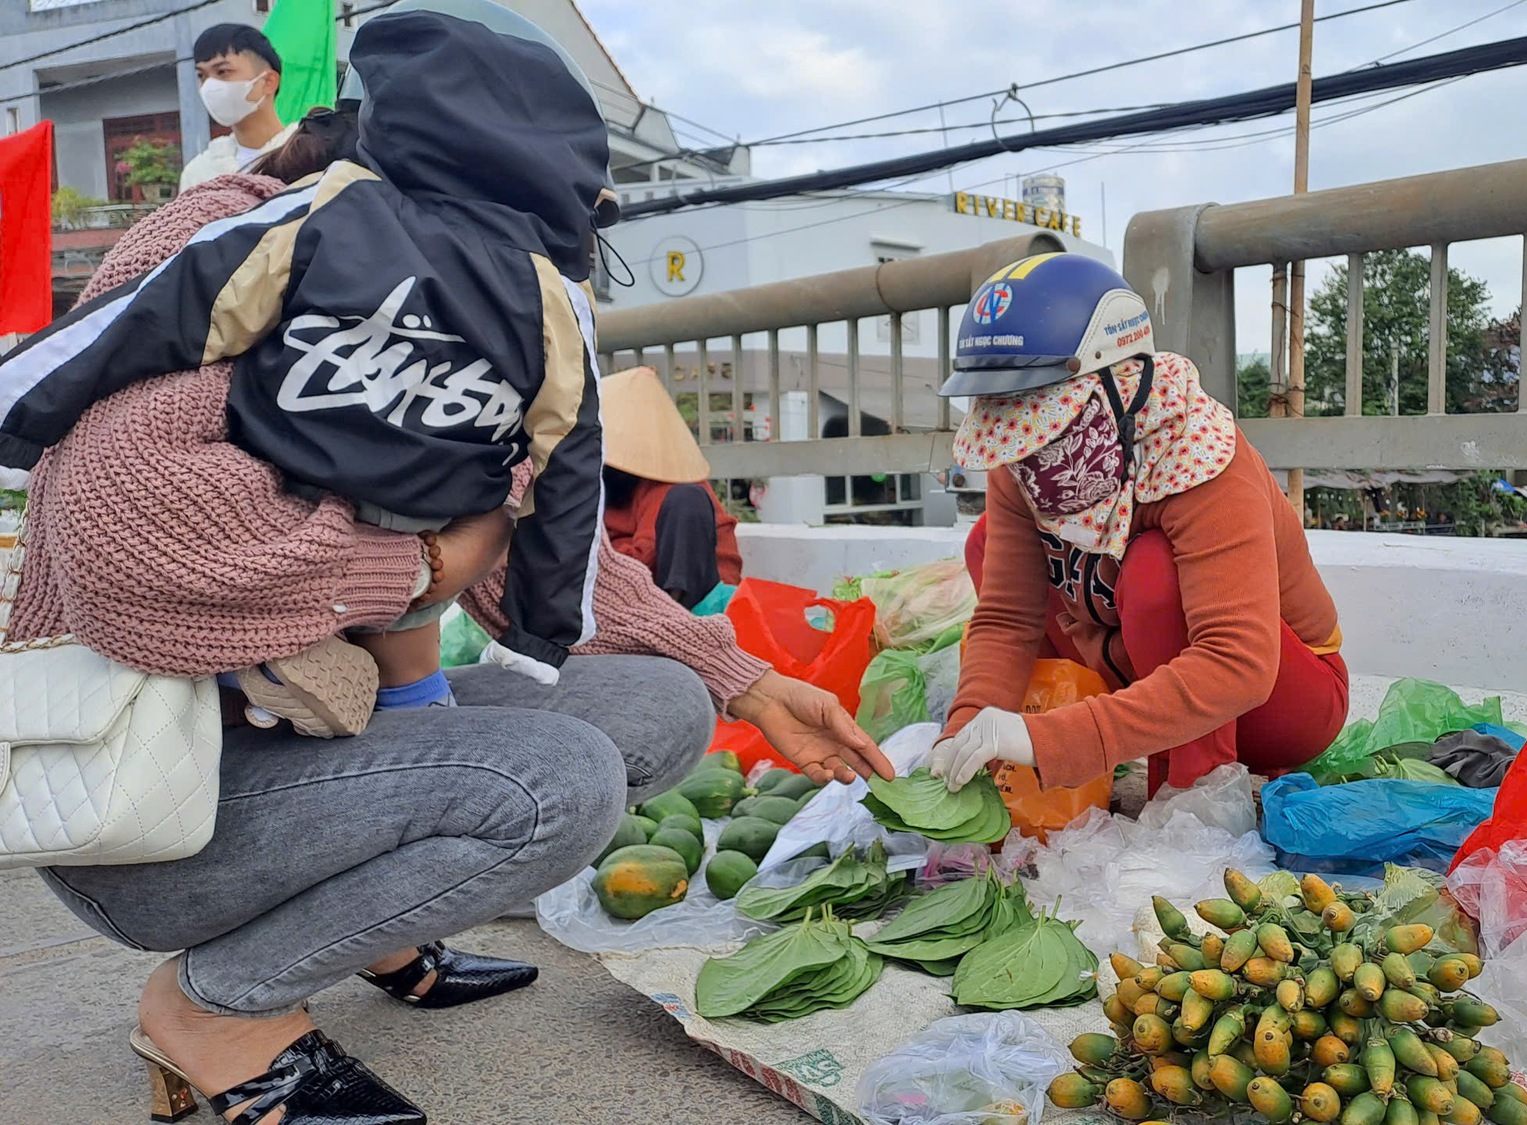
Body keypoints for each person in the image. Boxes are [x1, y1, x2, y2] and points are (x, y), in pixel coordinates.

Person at [7, 5, 894, 1123]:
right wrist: (422, 565)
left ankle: (363, 937)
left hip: (308, 747)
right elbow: (130, 534)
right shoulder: (249, 244)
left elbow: (523, 538)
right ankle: (214, 1009)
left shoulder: (476, 298)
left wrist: (752, 686)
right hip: (149, 799)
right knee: (555, 785)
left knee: (661, 708)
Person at [2, 6, 621, 735]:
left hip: (291, 478)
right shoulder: (556, 293)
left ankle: (269, 662)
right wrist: (541, 633)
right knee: (423, 665)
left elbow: (158, 309)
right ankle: (409, 704)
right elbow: (573, 465)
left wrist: (18, 409)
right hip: (430, 518)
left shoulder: (326, 208)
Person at [926, 252, 1350, 798]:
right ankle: (1045, 768)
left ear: (1120, 388)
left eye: (1044, 428)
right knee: (986, 540)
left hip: (1276, 703)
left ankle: (1193, 793)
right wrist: (963, 734)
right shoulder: (1023, 467)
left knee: (1155, 572)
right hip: (1136, 680)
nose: (1027, 458)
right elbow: (1007, 620)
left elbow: (1237, 662)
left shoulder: (1198, 454)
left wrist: (1055, 740)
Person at [600, 365, 743, 609]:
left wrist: (604, 557)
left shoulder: (671, 487)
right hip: (621, 596)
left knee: (687, 499)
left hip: (691, 599)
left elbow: (644, 558)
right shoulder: (598, 485)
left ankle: (678, 623)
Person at [178, 25, 297, 191]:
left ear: (268, 81)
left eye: (223, 71)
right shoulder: (199, 173)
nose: (209, 86)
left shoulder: (308, 155)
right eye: (202, 76)